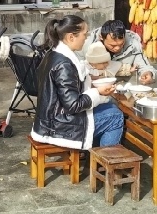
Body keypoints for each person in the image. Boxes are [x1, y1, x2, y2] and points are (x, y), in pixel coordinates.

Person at [32, 15, 125, 150]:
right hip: (59, 127)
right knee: (116, 116)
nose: (86, 38)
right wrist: (97, 91)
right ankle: (105, 161)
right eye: (84, 34)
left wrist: (91, 83)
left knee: (110, 107)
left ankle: (93, 156)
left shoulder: (53, 54)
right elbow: (73, 105)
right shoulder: (64, 64)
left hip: (49, 121)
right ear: (71, 37)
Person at [82, 20, 157, 85]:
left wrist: (148, 73)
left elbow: (144, 66)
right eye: (112, 45)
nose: (117, 48)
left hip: (122, 89)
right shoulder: (86, 44)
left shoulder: (133, 45)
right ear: (101, 37)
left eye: (121, 44)